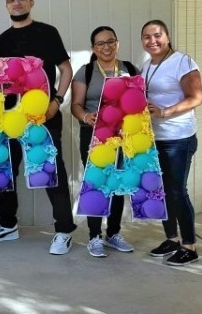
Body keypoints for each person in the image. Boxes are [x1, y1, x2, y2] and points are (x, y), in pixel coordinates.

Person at [0, 0, 77, 255]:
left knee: (50, 171)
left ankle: (63, 230)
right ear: (6, 5)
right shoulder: (2, 40)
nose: (17, 3)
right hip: (10, 118)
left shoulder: (48, 32)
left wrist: (57, 101)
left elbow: (66, 69)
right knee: (6, 170)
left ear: (31, 2)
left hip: (43, 116)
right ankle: (7, 225)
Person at [70, 26, 139, 257]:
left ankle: (113, 233)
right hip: (94, 135)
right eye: (100, 43)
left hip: (123, 136)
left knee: (118, 184)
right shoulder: (86, 72)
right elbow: (76, 106)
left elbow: (139, 101)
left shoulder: (129, 69)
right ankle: (94, 236)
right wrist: (85, 116)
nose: (106, 47)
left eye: (110, 42)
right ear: (93, 48)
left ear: (117, 44)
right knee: (96, 183)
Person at [140, 19, 202, 266]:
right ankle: (172, 239)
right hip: (155, 138)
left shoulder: (183, 62)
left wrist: (166, 112)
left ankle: (190, 246)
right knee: (162, 192)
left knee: (177, 192)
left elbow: (196, 97)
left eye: (157, 35)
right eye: (146, 37)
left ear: (167, 37)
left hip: (179, 138)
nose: (152, 41)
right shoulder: (145, 66)